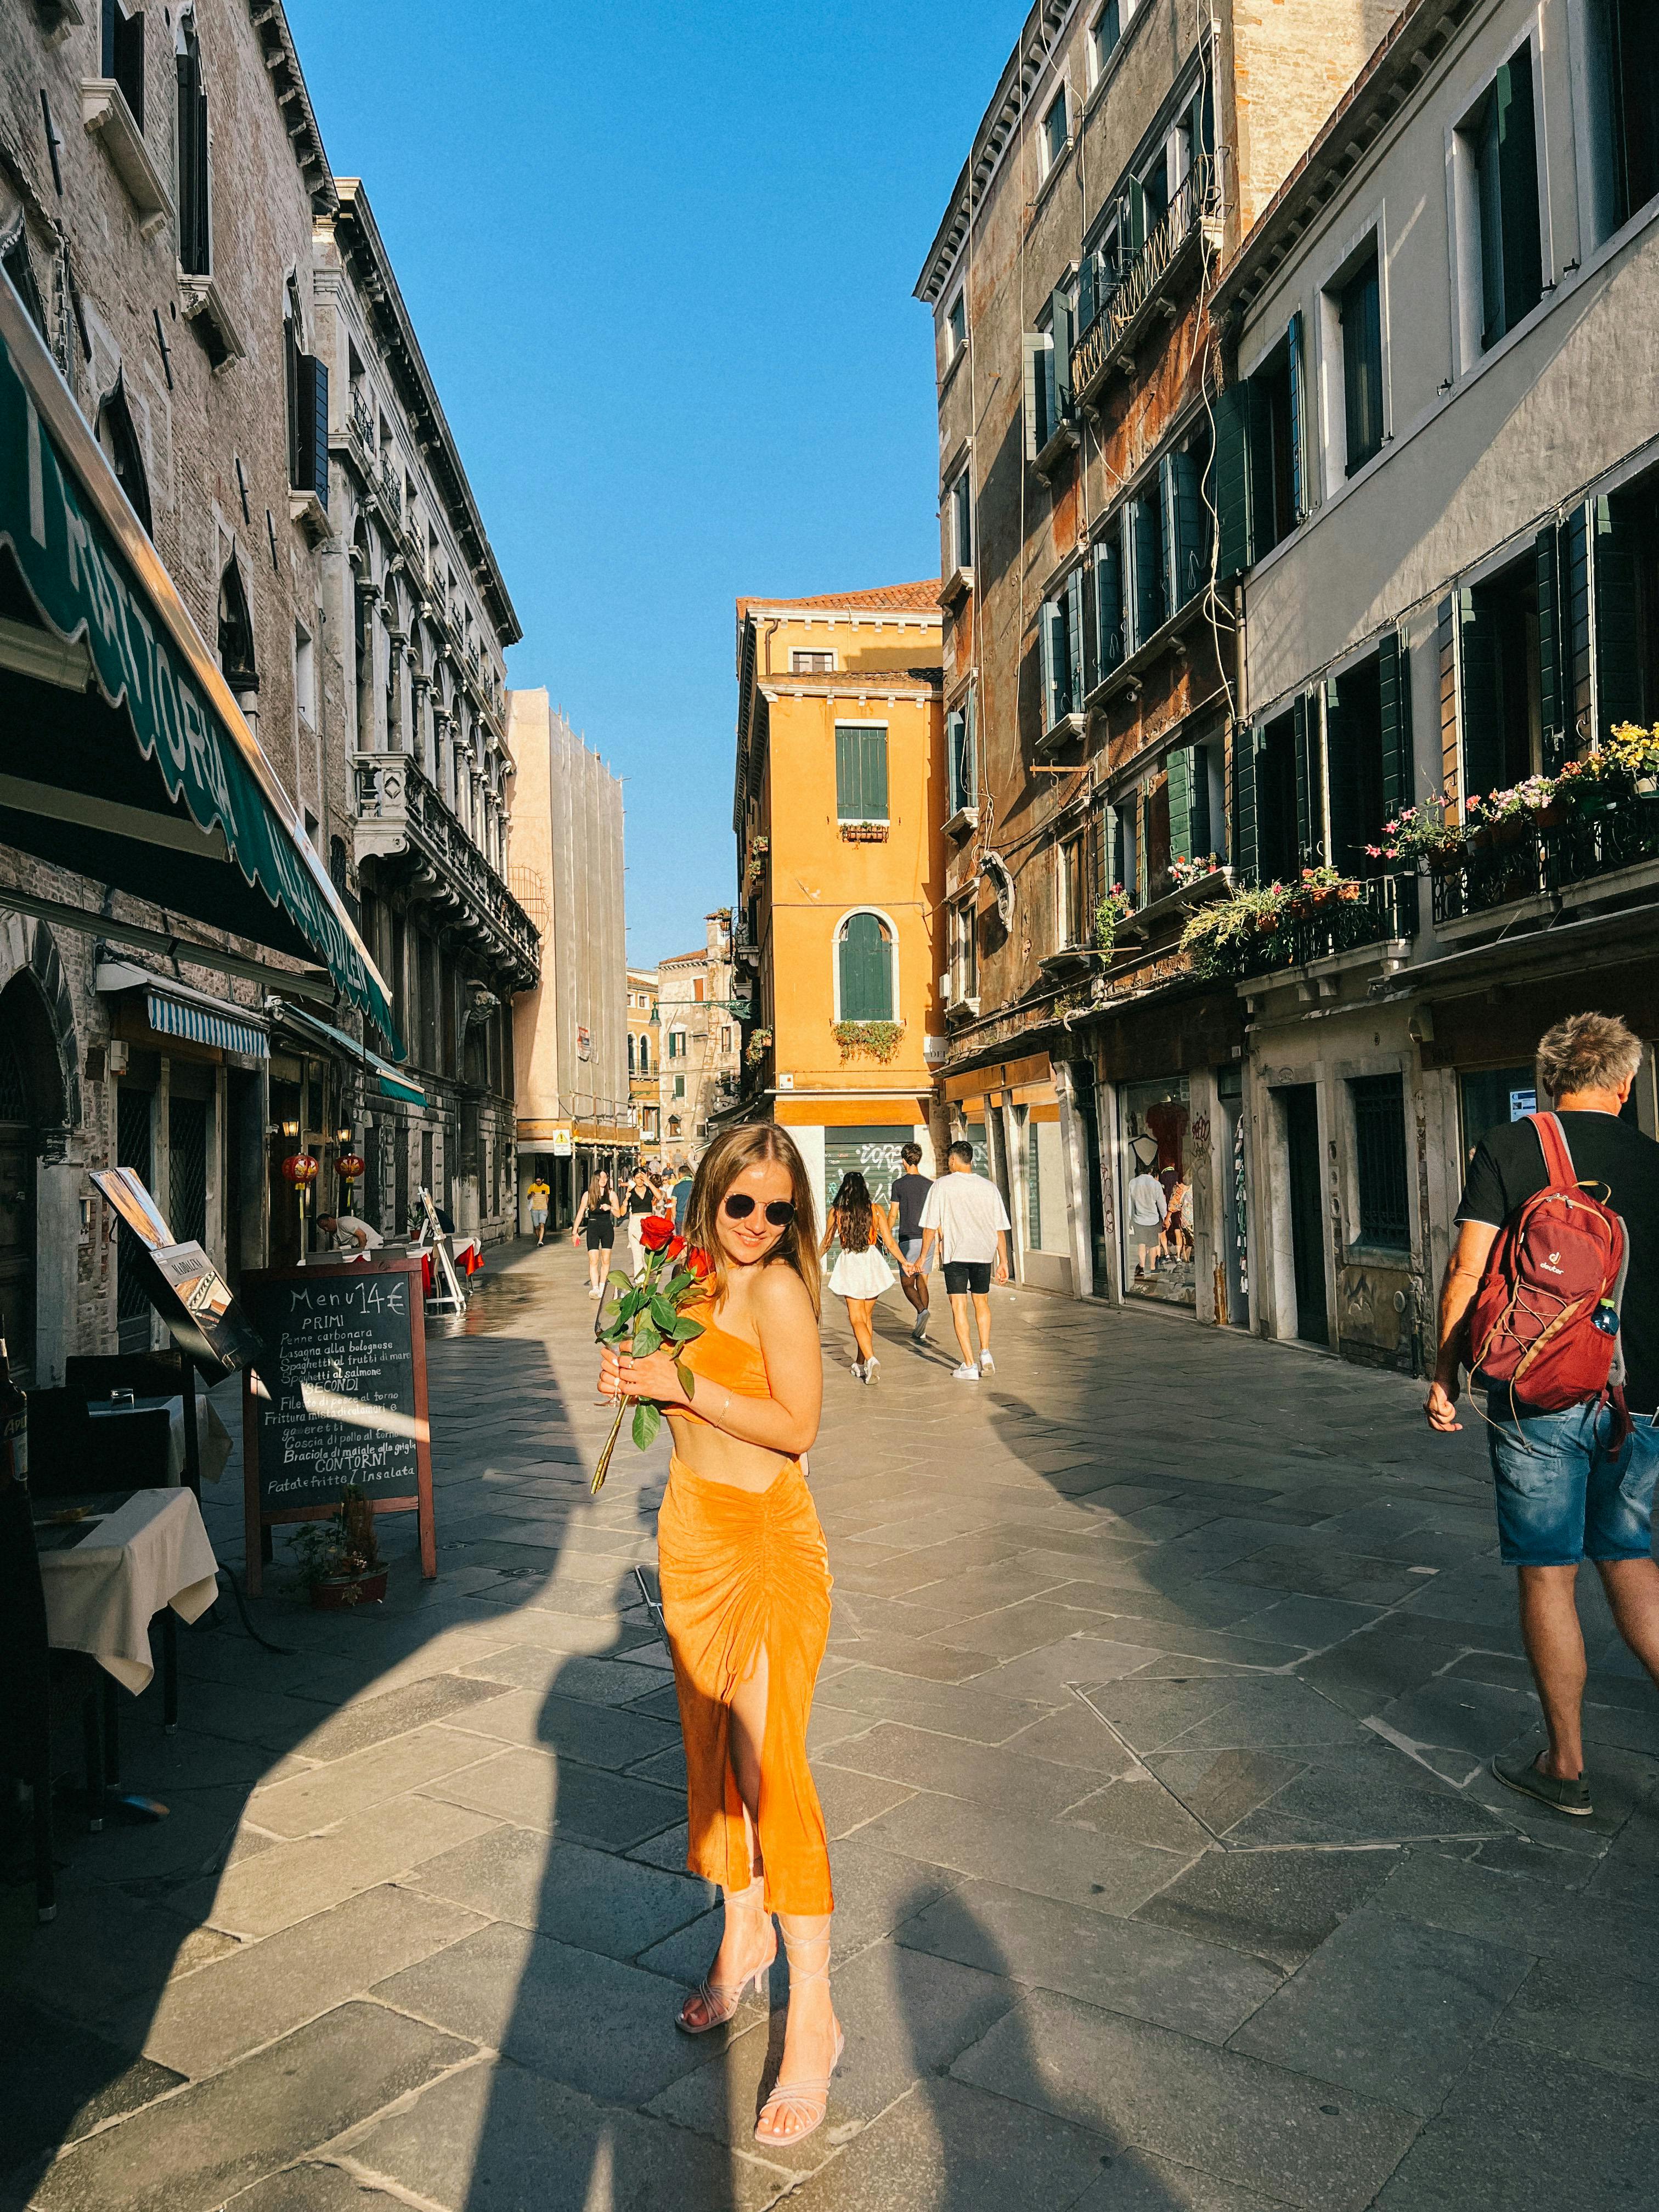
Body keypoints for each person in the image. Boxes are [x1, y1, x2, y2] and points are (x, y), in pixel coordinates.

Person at [599, 1125, 842, 2146]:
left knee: (768, 1763)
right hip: (690, 1533)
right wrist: (630, 1369)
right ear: (710, 1196)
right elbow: (658, 1379)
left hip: (765, 1543)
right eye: (739, 1204)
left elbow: (797, 1427)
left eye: (776, 1209)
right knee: (711, 1757)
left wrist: (676, 1383)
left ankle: (816, 2014)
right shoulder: (681, 1272)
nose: (754, 1226)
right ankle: (741, 1931)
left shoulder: (780, 1290)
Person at [1427, 1011, 1659, 1818]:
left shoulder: (1511, 1146)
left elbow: (1468, 1266)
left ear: (1550, 1079)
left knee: (1548, 1574)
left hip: (1537, 1399)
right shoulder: (1655, 1161)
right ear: (1625, 1084)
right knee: (1631, 1562)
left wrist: (1446, 1370)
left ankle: (1565, 1765)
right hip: (1642, 1404)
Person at [916, 1140, 1011, 1380]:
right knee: (982, 1303)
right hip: (983, 1254)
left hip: (956, 1255)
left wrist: (922, 1257)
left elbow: (929, 1227)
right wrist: (1003, 1261)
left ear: (954, 1160)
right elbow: (1000, 1229)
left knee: (959, 1307)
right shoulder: (989, 1187)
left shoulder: (941, 1186)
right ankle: (986, 1352)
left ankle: (969, 1365)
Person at [820, 1170, 906, 1383]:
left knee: (856, 1319)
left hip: (850, 1261)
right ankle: (861, 1364)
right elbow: (889, 1242)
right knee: (866, 1318)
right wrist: (905, 1263)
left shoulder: (837, 1212)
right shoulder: (875, 1210)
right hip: (871, 1261)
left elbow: (827, 1242)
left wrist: (812, 1261)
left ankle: (871, 1359)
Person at [888, 1142, 934, 1342]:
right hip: (928, 1240)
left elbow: (892, 1215)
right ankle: (921, 1327)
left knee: (907, 1284)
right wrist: (940, 1239)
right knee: (922, 1281)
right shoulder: (930, 1185)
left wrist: (885, 1234)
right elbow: (936, 1215)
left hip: (908, 1240)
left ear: (904, 1161)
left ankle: (922, 1311)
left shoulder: (898, 1185)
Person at [572, 1170, 617, 1298]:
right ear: (595, 1180)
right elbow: (580, 1213)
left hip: (607, 1227)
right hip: (593, 1227)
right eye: (601, 1178)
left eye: (606, 1177)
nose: (604, 1180)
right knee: (593, 1259)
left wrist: (611, 1208)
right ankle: (595, 1288)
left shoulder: (611, 1194)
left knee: (606, 1259)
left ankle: (602, 1286)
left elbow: (619, 1214)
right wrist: (575, 1232)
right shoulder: (588, 1195)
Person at [1128, 1156, 1168, 1277]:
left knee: (1141, 1244)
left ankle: (1141, 1267)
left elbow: (1130, 1202)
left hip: (1138, 1219)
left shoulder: (1133, 1183)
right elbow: (1161, 1203)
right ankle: (1152, 1268)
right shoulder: (1156, 1184)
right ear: (1150, 1171)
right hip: (1153, 1219)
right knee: (1152, 1244)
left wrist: (1129, 1218)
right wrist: (1166, 1217)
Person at [623, 1166, 656, 1277]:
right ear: (633, 1179)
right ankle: (639, 1283)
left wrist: (648, 1182)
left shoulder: (650, 1189)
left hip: (648, 1223)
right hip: (636, 1223)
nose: (640, 1180)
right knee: (637, 1256)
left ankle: (645, 1281)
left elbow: (659, 1196)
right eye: (638, 1178)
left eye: (642, 1177)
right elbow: (623, 1212)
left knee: (646, 1255)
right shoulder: (631, 1192)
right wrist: (626, 1199)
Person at [316, 1212, 383, 1259]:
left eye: (326, 1226)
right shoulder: (334, 1234)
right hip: (365, 1248)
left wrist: (361, 1253)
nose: (326, 1229)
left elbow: (362, 1235)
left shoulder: (344, 1223)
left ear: (330, 1220)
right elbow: (336, 1250)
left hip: (374, 1246)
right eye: (323, 1228)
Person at [525, 1173, 551, 1246]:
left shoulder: (546, 1187)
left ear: (542, 1180)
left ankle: (540, 1241)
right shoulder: (532, 1187)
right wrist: (531, 1195)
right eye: (537, 1181)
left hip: (543, 1209)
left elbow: (547, 1198)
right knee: (537, 1227)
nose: (538, 1183)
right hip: (534, 1209)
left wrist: (547, 1208)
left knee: (542, 1225)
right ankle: (539, 1239)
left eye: (539, 1181)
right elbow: (528, 1198)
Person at [672, 1161, 695, 1233]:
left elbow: (673, 1205)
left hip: (680, 1218)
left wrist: (675, 1218)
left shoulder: (677, 1187)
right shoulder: (695, 1186)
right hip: (693, 1218)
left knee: (681, 1241)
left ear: (680, 1175)